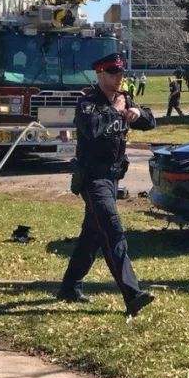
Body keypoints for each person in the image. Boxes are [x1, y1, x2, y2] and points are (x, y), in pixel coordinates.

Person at [57, 52, 157, 317]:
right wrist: (117, 112)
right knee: (112, 230)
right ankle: (132, 294)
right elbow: (91, 128)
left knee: (92, 234)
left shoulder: (125, 98)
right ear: (100, 74)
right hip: (92, 177)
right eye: (113, 73)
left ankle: (70, 286)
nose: (119, 78)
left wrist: (137, 113)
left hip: (113, 177)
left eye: (122, 73)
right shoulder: (88, 102)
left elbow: (150, 121)